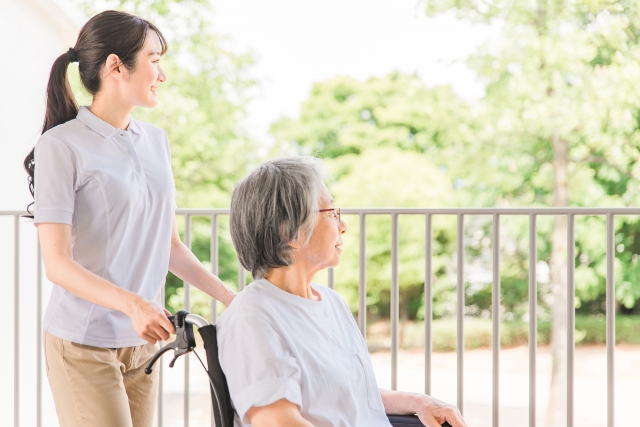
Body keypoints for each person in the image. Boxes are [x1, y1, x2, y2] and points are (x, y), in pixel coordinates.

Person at [24, 10, 236, 427]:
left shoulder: (156, 141)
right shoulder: (60, 146)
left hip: (143, 345)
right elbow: (58, 265)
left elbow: (170, 248)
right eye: (154, 59)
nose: (162, 73)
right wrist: (134, 304)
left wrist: (233, 300)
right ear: (115, 66)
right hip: (83, 343)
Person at [217, 157, 468, 427]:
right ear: (290, 232)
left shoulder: (331, 303)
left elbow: (347, 396)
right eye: (332, 212)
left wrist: (418, 402)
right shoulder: (251, 316)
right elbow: (278, 420)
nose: (343, 225)